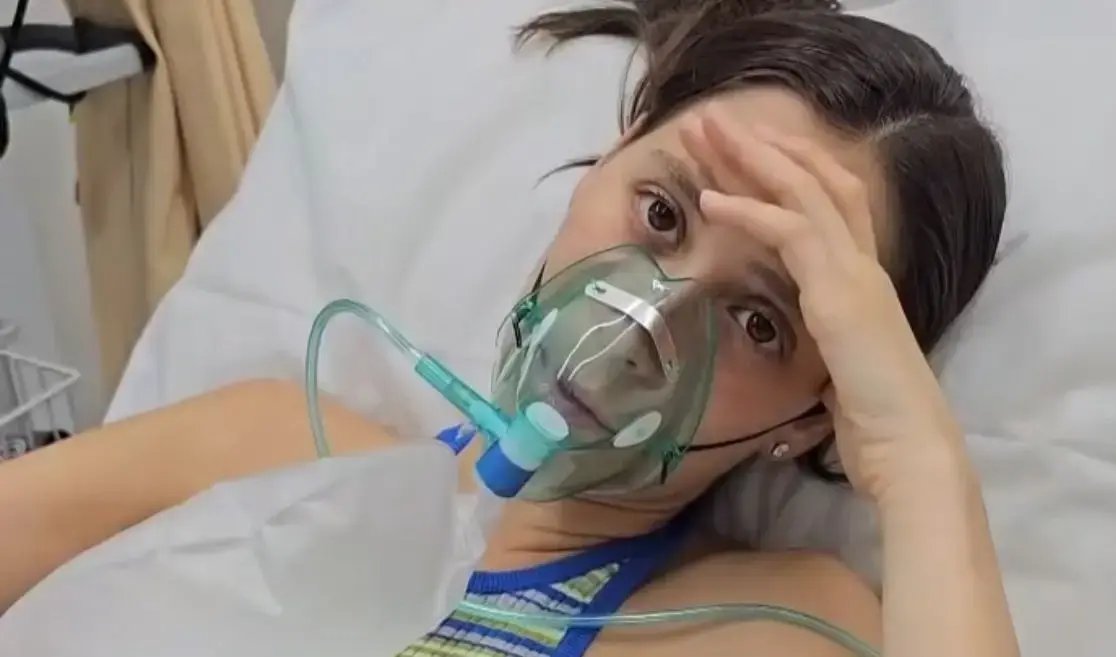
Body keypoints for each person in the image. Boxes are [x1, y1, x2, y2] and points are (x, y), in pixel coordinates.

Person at [0, 2, 1020, 656]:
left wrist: (919, 462)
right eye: (661, 213)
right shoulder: (264, 447)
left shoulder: (755, 629)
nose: (643, 326)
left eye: (759, 319)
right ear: (608, 159)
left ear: (817, 410)